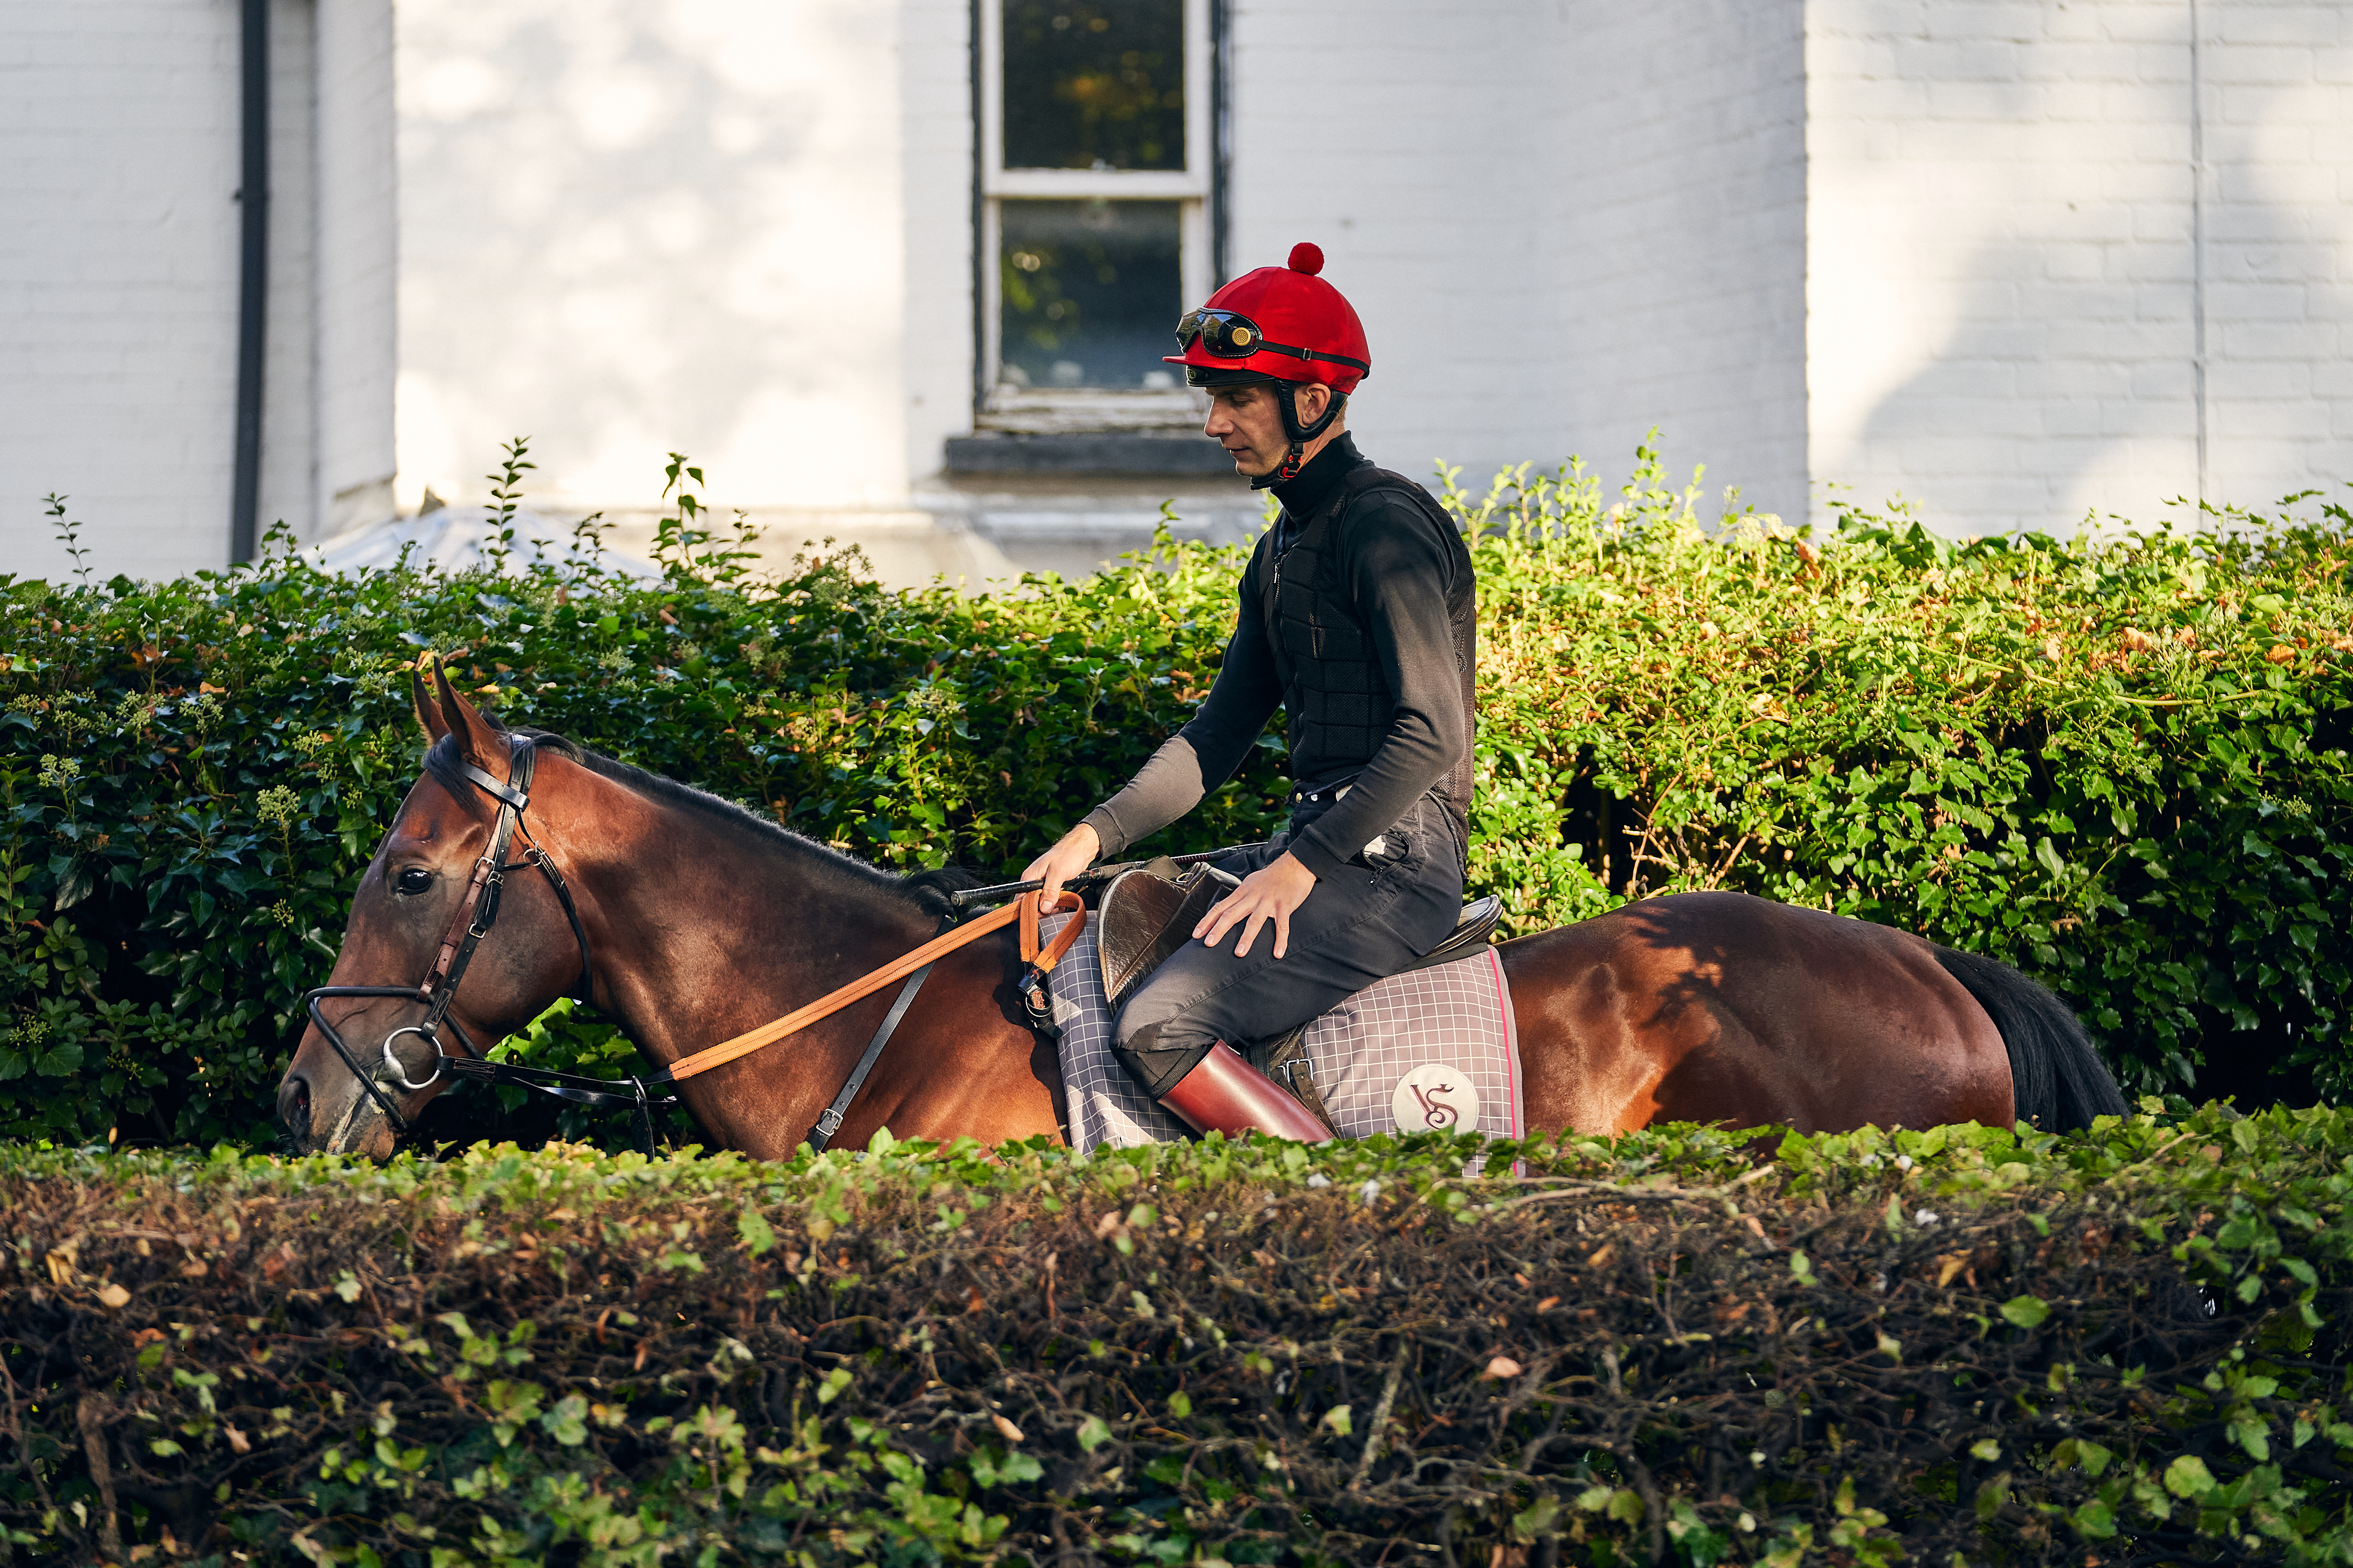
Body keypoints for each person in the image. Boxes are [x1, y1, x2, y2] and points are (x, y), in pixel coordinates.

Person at [1021, 242, 1477, 1141]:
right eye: (1213, 400)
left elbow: (1432, 731)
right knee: (1115, 917)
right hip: (1327, 845)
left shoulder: (1384, 526)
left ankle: (1332, 1202)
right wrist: (1091, 836)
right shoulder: (1279, 551)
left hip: (1400, 869)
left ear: (1310, 402)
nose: (1214, 422)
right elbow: (1219, 733)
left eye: (1235, 398)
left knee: (1160, 1023)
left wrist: (1297, 867)